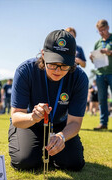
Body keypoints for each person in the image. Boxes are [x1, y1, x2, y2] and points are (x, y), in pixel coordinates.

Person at [8, 29, 88, 171]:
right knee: (25, 161)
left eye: (64, 66)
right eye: (52, 64)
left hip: (59, 127)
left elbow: (75, 122)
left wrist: (62, 137)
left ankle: (50, 149)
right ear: (43, 55)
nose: (58, 70)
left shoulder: (79, 78)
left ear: (73, 60)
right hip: (29, 124)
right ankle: (38, 148)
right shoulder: (25, 71)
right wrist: (32, 117)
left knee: (73, 163)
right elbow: (15, 117)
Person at [90, 19, 112, 130]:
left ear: (108, 27)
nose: (101, 32)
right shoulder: (97, 43)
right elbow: (95, 61)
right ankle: (103, 123)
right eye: (99, 31)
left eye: (103, 30)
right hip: (100, 74)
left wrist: (109, 52)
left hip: (111, 73)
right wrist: (92, 58)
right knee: (102, 99)